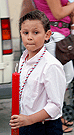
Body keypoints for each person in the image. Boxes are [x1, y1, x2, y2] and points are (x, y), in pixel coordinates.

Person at [9, 10, 66, 135]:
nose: (29, 37)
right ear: (20, 34)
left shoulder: (51, 66)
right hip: (24, 123)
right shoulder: (23, 58)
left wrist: (29, 119)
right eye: (25, 33)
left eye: (36, 32)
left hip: (45, 127)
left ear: (47, 35)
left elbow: (55, 106)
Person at [30, 0, 74, 133]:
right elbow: (58, 12)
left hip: (58, 34)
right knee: (57, 80)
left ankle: (54, 117)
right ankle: (52, 119)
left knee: (61, 78)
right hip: (54, 35)